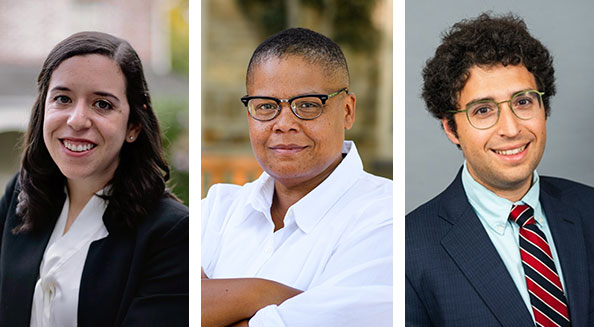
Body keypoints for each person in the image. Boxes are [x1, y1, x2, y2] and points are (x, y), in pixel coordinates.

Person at [406, 13, 594, 326]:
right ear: (451, 129)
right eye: (483, 110)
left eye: (523, 102)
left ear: (543, 108)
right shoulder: (409, 250)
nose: (510, 129)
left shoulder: (589, 209)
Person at [201, 27, 393, 326]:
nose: (284, 124)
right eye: (266, 106)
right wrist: (259, 292)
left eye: (307, 104)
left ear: (347, 110)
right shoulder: (216, 209)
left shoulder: (386, 218)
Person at [0, 31, 189, 326]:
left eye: (102, 104)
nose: (76, 120)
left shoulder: (171, 234)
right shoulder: (21, 194)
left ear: (134, 126)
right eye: (63, 98)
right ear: (42, 110)